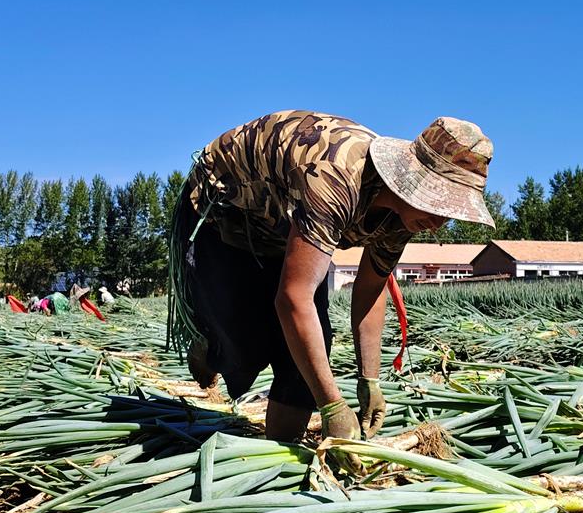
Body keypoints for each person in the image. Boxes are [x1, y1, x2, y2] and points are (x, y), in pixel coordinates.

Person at [169, 111, 494, 444]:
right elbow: (293, 298)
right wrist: (333, 406)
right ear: (412, 183)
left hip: (289, 225)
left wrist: (370, 380)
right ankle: (211, 349)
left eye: (451, 211)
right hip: (228, 213)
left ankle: (281, 454)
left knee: (312, 351)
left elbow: (370, 288)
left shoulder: (406, 217)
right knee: (248, 350)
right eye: (439, 203)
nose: (440, 222)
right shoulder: (335, 177)